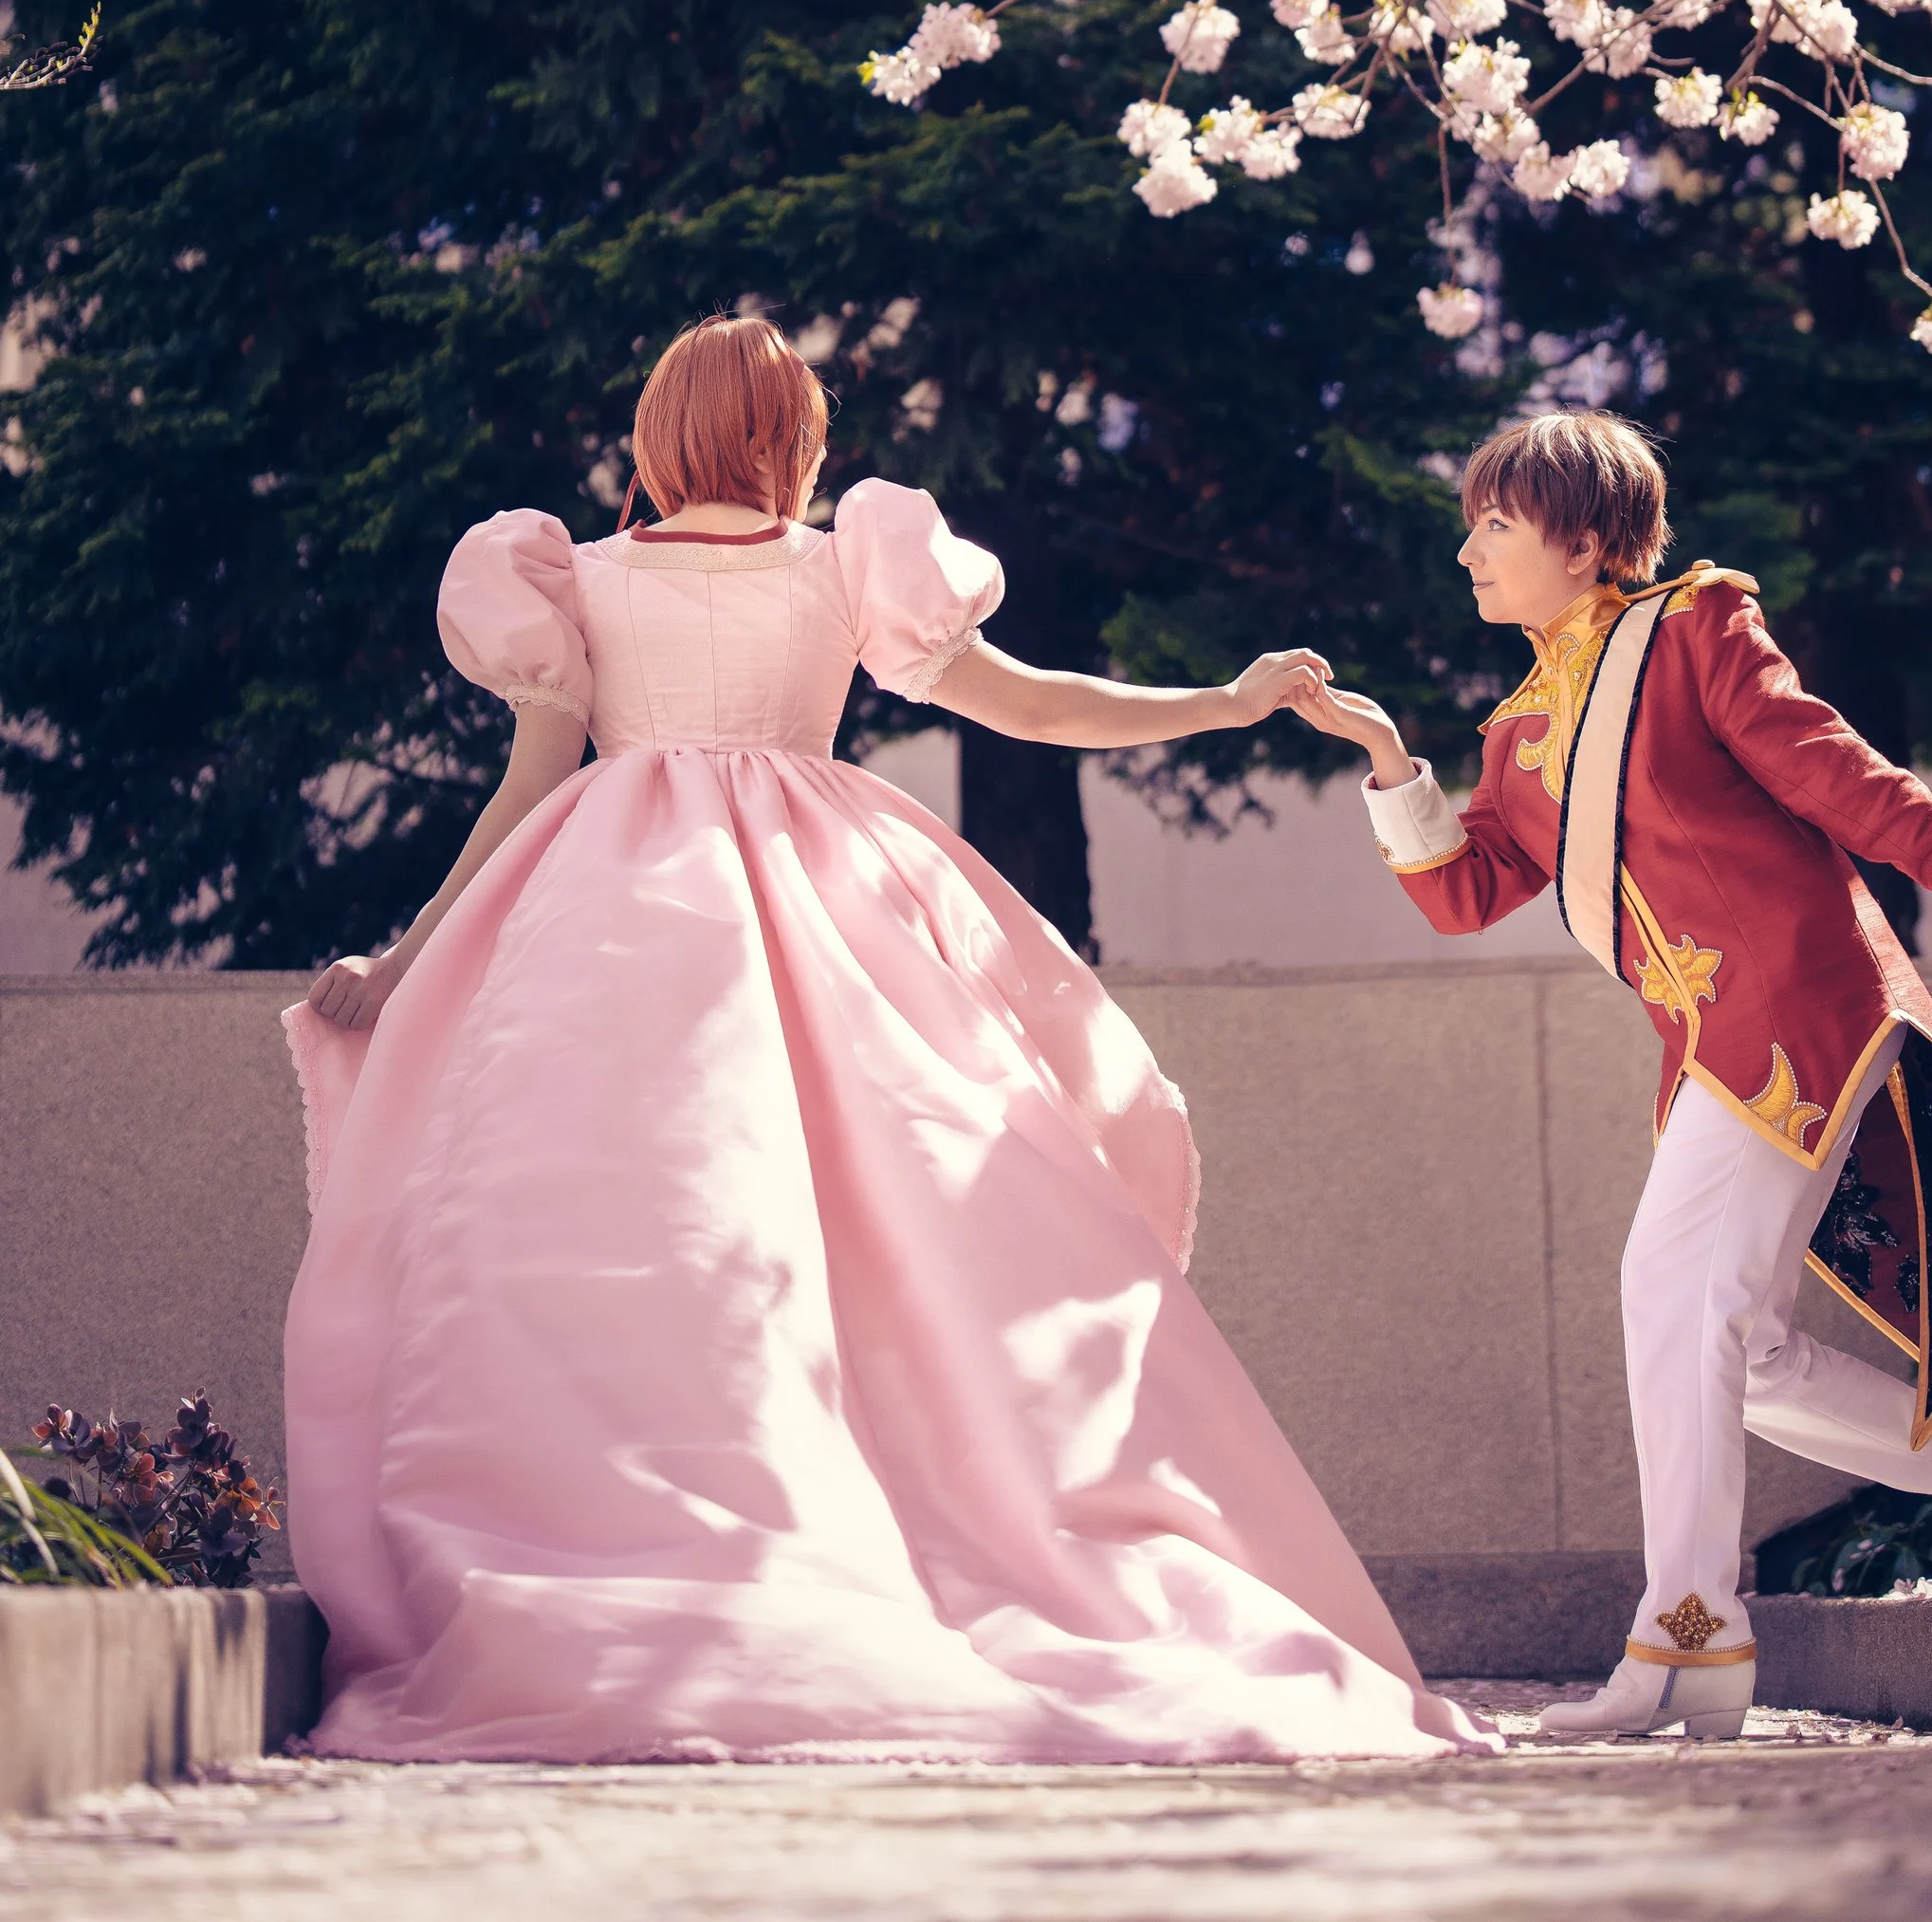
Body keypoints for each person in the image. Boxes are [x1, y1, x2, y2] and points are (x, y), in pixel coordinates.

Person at [285, 312, 1482, 1767]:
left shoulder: (577, 583)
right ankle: (898, 1540)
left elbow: (529, 790)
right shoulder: (841, 565)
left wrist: (409, 958)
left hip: (610, 923)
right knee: (900, 1246)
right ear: (793, 437)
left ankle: (680, 1546)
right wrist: (1220, 703)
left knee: (650, 1255)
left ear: (660, 432)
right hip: (831, 898)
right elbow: (1030, 705)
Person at [1286, 407, 1932, 1743]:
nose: (1466, 551)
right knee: (1726, 1349)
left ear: (1583, 546)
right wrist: (1385, 756)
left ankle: (1688, 1642)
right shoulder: (1519, 733)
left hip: (1808, 1010)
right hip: (1711, 1052)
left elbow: (1834, 772)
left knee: (1674, 1302)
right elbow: (1463, 897)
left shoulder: (1696, 629)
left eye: (1495, 526)